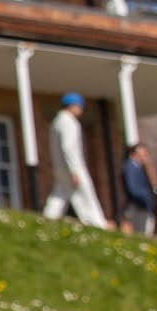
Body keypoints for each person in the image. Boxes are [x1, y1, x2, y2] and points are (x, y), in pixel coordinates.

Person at [42, 93, 108, 227]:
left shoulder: (57, 122)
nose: (81, 109)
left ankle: (48, 217)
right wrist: (74, 170)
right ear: (73, 106)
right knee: (86, 195)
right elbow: (69, 147)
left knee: (60, 193)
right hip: (73, 167)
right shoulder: (69, 122)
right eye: (79, 106)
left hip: (60, 167)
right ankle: (97, 224)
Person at [119, 143, 157, 235]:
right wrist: (147, 199)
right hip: (138, 206)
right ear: (133, 154)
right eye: (142, 155)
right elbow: (133, 189)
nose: (145, 157)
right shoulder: (130, 167)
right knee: (141, 232)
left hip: (142, 206)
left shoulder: (139, 167)